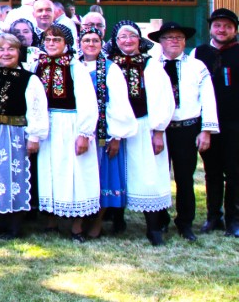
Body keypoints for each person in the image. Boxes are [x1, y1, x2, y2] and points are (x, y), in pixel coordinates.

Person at [107, 21, 176, 246]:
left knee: (148, 175)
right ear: (116, 42)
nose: (127, 41)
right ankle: (117, 221)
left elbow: (162, 98)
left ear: (139, 40)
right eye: (122, 37)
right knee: (118, 173)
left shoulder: (150, 65)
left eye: (131, 37)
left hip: (144, 125)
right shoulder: (109, 65)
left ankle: (154, 226)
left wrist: (158, 131)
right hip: (117, 127)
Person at [150, 22, 216, 241]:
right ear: (160, 42)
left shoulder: (197, 67)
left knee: (185, 178)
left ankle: (185, 222)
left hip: (186, 129)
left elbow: (207, 98)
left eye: (178, 37)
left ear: (185, 41)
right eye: (168, 37)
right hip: (159, 130)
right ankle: (159, 220)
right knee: (159, 177)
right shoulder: (151, 67)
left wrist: (206, 130)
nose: (174, 41)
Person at [33, 25, 100, 241]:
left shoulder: (75, 67)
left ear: (66, 43)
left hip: (71, 123)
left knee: (75, 171)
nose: (51, 43)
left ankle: (77, 226)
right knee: (49, 170)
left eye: (57, 39)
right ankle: (51, 221)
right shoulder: (38, 65)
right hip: (47, 124)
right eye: (48, 39)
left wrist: (84, 133)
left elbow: (88, 101)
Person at [0, 34, 48, 239]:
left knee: (14, 176)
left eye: (11, 49)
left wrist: (34, 136)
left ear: (19, 52)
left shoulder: (29, 78)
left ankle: (15, 225)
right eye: (1, 49)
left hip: (14, 133)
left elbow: (36, 108)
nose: (6, 53)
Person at [77, 26, 135, 239]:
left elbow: (118, 103)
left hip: (103, 133)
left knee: (104, 179)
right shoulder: (75, 66)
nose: (90, 44)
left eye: (95, 40)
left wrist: (116, 136)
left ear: (102, 44)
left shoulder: (110, 68)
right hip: (80, 132)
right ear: (79, 43)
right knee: (83, 177)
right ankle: (80, 219)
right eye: (86, 40)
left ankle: (97, 222)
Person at [195, 8, 239, 237]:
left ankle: (234, 219)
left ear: (234, 30)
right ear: (211, 28)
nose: (222, 30)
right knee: (212, 172)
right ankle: (214, 216)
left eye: (228, 26)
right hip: (208, 124)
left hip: (235, 123)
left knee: (234, 172)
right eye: (218, 25)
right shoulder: (199, 53)